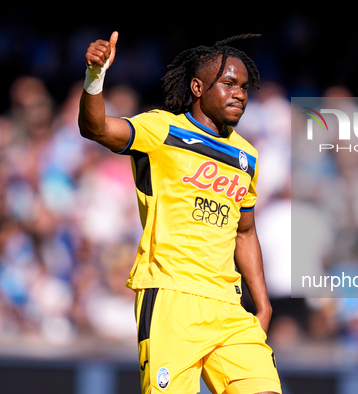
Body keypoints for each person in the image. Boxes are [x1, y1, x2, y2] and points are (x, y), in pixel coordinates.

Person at [79, 31, 281, 394]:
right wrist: (96, 75)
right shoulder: (161, 130)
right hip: (172, 298)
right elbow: (94, 127)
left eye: (245, 87)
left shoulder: (246, 156)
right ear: (198, 87)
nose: (240, 93)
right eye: (229, 83)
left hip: (229, 308)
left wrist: (263, 305)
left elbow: (245, 232)